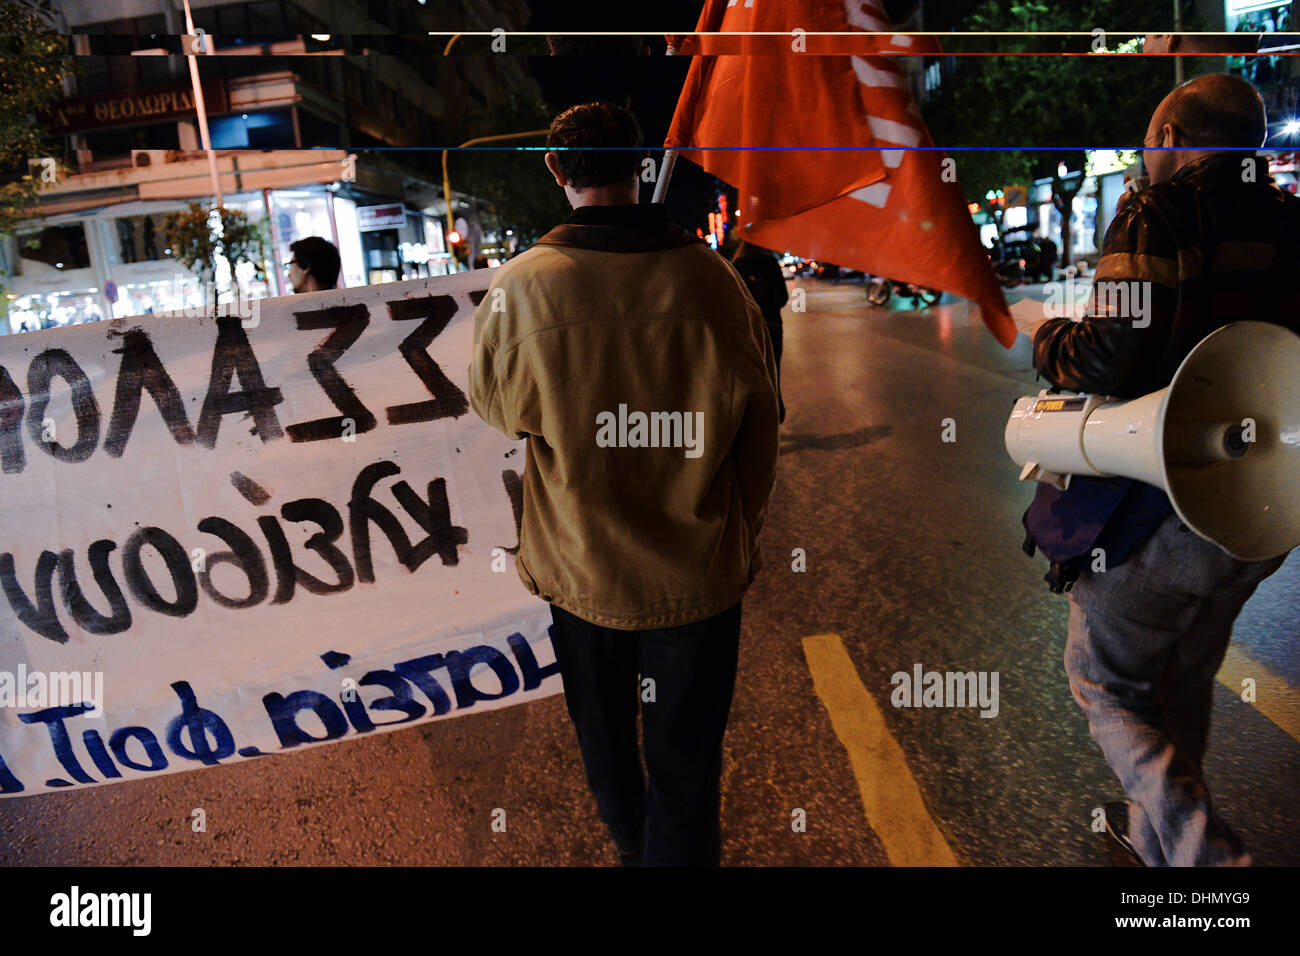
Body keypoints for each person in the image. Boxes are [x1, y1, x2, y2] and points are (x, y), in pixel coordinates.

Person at [468, 102, 780, 867]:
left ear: (555, 167)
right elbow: (761, 428)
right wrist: (737, 536)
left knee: (605, 745)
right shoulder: (713, 281)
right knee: (688, 762)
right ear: (638, 165)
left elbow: (498, 411)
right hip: (698, 579)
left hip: (583, 574)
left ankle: (634, 852)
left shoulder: (521, 291)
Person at [1019, 74, 1300, 866]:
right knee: (1184, 677)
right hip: (1256, 512)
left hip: (1156, 508)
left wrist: (1050, 339)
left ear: (1171, 138)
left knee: (1103, 682)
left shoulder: (1157, 211)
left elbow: (1110, 353)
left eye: (1150, 143)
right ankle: (1152, 835)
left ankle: (1202, 858)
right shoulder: (1290, 220)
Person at [731, 240, 789, 422]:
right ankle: (776, 412)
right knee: (773, 372)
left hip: (748, 329)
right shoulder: (770, 263)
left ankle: (753, 422)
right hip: (771, 325)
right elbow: (783, 297)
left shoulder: (737, 265)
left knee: (751, 376)